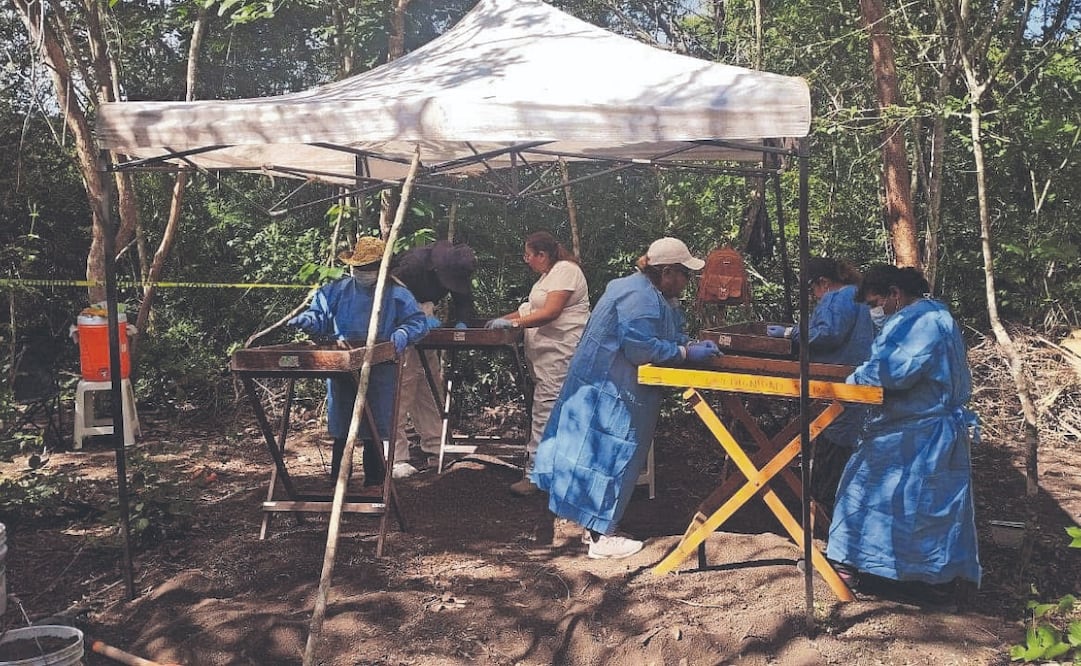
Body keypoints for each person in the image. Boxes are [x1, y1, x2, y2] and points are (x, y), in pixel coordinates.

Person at [530, 237, 721, 560]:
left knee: (599, 454)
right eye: (684, 274)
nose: (687, 282)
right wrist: (685, 353)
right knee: (606, 455)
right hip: (611, 387)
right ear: (667, 272)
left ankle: (595, 525)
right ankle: (600, 537)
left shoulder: (649, 293)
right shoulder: (638, 296)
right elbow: (640, 348)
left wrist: (686, 344)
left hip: (612, 384)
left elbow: (666, 331)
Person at [826, 264, 981, 597]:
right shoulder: (934, 315)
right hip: (918, 427)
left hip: (915, 432)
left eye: (875, 303)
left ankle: (852, 567)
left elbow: (892, 371)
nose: (875, 312)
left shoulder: (921, 323)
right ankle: (920, 579)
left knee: (867, 493)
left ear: (894, 294)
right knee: (926, 509)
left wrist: (854, 380)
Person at [287, 236, 430, 486]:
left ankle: (374, 484)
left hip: (381, 369)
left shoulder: (397, 294)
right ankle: (339, 484)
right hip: (342, 367)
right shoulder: (336, 291)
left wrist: (404, 332)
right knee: (343, 429)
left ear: (381, 267)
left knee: (375, 429)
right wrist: (310, 321)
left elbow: (417, 322)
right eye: (359, 267)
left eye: (369, 267)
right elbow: (319, 314)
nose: (363, 272)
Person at [486, 231, 591, 496]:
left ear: (542, 255)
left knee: (545, 412)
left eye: (528, 255)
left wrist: (514, 324)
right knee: (554, 412)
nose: (526, 260)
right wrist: (500, 321)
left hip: (560, 354)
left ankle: (535, 475)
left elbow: (551, 312)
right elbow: (530, 310)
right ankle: (558, 473)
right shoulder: (547, 276)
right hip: (545, 357)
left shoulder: (566, 270)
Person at [766, 257, 874, 513]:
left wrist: (790, 334)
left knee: (832, 452)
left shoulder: (838, 297)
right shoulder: (857, 296)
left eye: (813, 289)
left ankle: (822, 516)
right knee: (838, 448)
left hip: (838, 384)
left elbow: (828, 334)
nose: (815, 297)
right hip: (850, 381)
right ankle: (827, 512)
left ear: (823, 283)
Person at [390, 240, 477, 477]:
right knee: (402, 385)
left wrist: (462, 323)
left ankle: (436, 447)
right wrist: (413, 319)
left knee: (429, 385)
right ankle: (395, 457)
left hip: (428, 322)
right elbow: (389, 297)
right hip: (401, 322)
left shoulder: (456, 264)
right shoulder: (413, 264)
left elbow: (464, 301)